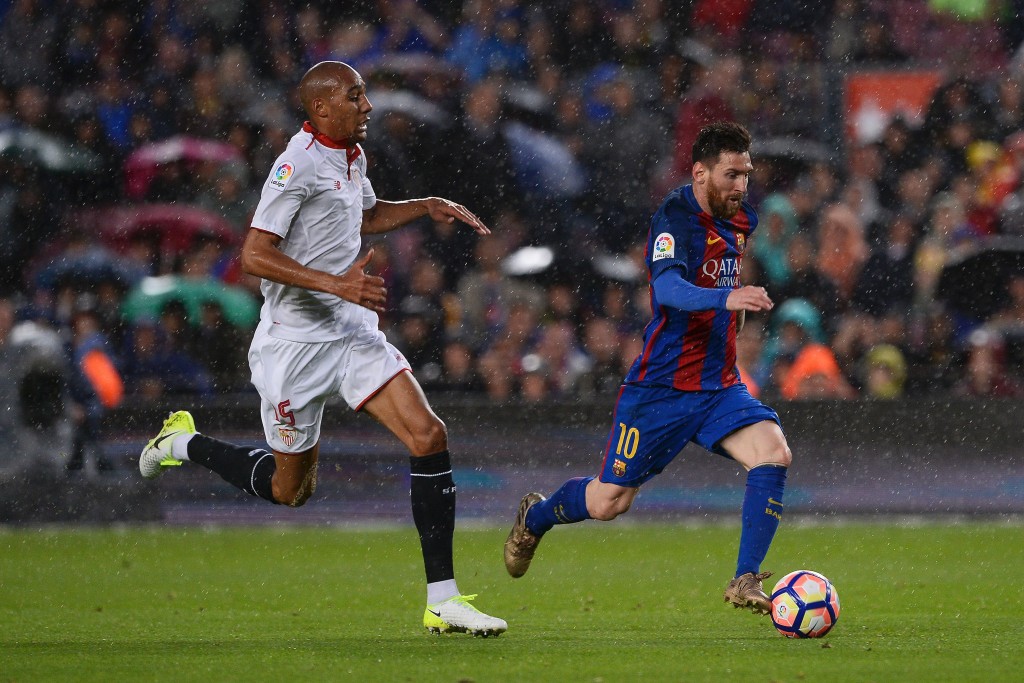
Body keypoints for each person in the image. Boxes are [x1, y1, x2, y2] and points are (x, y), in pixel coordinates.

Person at [138, 61, 507, 637]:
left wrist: (425, 205)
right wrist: (336, 283)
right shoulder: (297, 165)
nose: (368, 106)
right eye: (356, 97)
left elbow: (365, 216)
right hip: (293, 347)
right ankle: (184, 443)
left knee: (428, 434)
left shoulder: (352, 155)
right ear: (322, 109)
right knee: (292, 490)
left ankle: (443, 601)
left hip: (350, 329)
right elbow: (254, 254)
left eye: (364, 95)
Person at [504, 122, 793, 616]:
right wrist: (728, 299)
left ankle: (744, 579)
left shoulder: (741, 219)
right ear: (700, 173)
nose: (742, 186)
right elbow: (668, 291)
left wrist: (734, 304)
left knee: (774, 453)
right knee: (608, 503)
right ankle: (537, 516)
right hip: (660, 390)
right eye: (731, 175)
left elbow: (719, 275)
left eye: (747, 174)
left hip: (718, 387)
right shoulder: (673, 219)